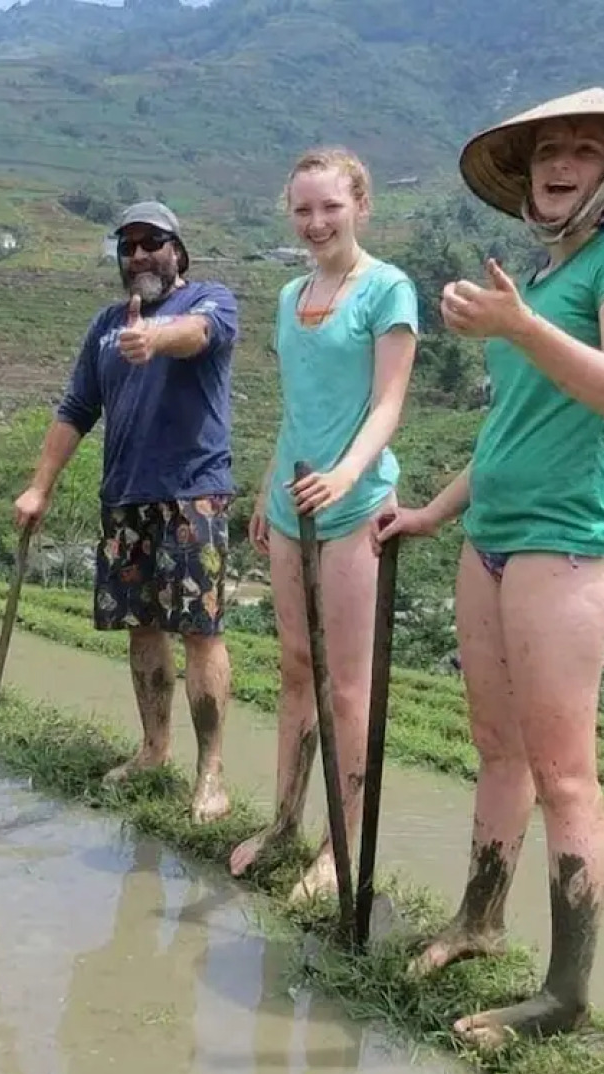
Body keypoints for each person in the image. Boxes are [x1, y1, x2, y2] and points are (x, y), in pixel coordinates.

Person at [375, 87, 604, 1048]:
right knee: (496, 744)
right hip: (494, 538)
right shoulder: (538, 276)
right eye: (547, 149)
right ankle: (479, 918)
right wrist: (434, 511)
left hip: (568, 541)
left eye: (584, 149)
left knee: (565, 773)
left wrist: (519, 329)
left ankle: (565, 995)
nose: (559, 161)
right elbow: (510, 429)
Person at [229, 148, 420, 900]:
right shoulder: (289, 296)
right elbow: (297, 408)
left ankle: (341, 850)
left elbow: (388, 404)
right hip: (290, 503)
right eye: (303, 209)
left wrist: (344, 474)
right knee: (294, 670)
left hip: (352, 507)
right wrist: (267, 488)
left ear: (361, 205)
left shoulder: (387, 290)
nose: (315, 223)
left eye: (330, 207)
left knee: (349, 687)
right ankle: (283, 821)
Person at [14, 200, 239, 824]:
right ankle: (153, 749)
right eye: (128, 245)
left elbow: (198, 337)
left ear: (179, 252)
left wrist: (155, 338)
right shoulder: (104, 327)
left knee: (201, 631)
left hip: (194, 493)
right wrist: (40, 487)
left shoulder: (211, 300)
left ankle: (211, 774)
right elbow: (74, 410)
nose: (139, 254)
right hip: (126, 496)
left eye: (152, 242)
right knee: (142, 628)